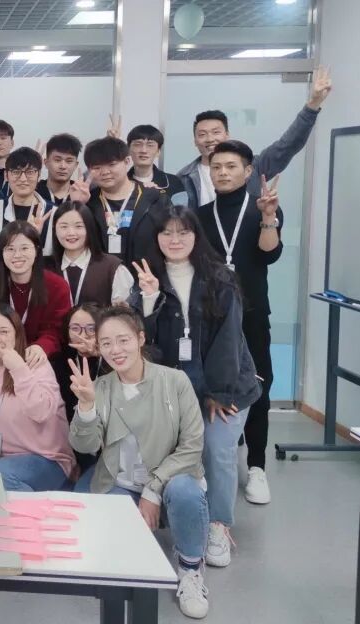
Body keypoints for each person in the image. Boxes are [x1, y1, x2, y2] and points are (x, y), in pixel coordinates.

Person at [130, 204, 261, 571]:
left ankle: (218, 525)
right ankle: (182, 515)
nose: (175, 239)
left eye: (183, 232)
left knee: (217, 448)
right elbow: (141, 342)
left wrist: (219, 392)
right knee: (173, 451)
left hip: (226, 387)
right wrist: (150, 299)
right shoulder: (147, 279)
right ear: (156, 238)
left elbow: (229, 339)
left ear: (196, 236)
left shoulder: (220, 278)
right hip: (175, 391)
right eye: (167, 232)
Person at [67, 306, 210, 619]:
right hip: (120, 483)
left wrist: (153, 489)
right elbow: (85, 446)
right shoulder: (100, 388)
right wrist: (87, 406)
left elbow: (192, 446)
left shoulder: (175, 381)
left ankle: (190, 569)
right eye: (106, 343)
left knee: (185, 491)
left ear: (140, 338)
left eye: (123, 340)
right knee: (118, 554)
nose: (115, 350)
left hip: (170, 480)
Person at [195, 140, 283, 505]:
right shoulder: (200, 215)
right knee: (211, 385)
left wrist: (268, 217)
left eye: (231, 166)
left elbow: (269, 253)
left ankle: (257, 466)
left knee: (258, 386)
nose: (223, 173)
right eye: (216, 167)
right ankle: (208, 464)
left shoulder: (263, 208)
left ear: (248, 171)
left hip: (252, 314)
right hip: (212, 318)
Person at [177, 67, 332, 209]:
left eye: (216, 132)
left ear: (227, 135)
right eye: (202, 134)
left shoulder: (254, 166)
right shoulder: (183, 178)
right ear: (195, 141)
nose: (210, 139)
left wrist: (313, 105)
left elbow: (287, 145)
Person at [0, 303, 75, 492]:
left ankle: (35, 510)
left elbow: (41, 412)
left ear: (16, 335)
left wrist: (18, 368)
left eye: (4, 332)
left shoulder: (35, 364)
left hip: (46, 459)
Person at [0, 221, 72, 363]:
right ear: (1, 253)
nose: (17, 255)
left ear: (37, 250)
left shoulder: (57, 286)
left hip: (39, 362)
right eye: (10, 249)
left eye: (24, 248)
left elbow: (58, 330)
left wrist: (42, 346)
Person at [0, 146, 89, 265]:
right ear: (6, 175)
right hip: (0, 275)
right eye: (16, 172)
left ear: (39, 175)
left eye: (30, 172)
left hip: (40, 275)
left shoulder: (53, 212)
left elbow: (67, 252)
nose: (23, 179)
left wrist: (78, 205)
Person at [83, 136, 166, 267]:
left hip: (146, 275)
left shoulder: (154, 198)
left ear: (127, 161)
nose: (105, 172)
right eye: (97, 167)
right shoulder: (88, 203)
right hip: (102, 276)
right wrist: (77, 204)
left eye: (112, 164)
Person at [51, 201, 133, 307]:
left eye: (78, 226)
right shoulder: (44, 268)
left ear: (89, 228)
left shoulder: (112, 268)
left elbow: (124, 314)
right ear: (54, 229)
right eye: (64, 226)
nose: (71, 233)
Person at [126, 125, 186, 203]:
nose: (144, 150)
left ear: (158, 151)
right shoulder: (120, 183)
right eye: (138, 144)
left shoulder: (173, 182)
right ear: (129, 149)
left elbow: (181, 210)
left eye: (150, 145)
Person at [36, 133, 85, 209]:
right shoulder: (35, 191)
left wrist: (81, 205)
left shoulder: (83, 195)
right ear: (46, 163)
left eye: (69, 161)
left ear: (76, 165)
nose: (63, 166)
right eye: (57, 160)